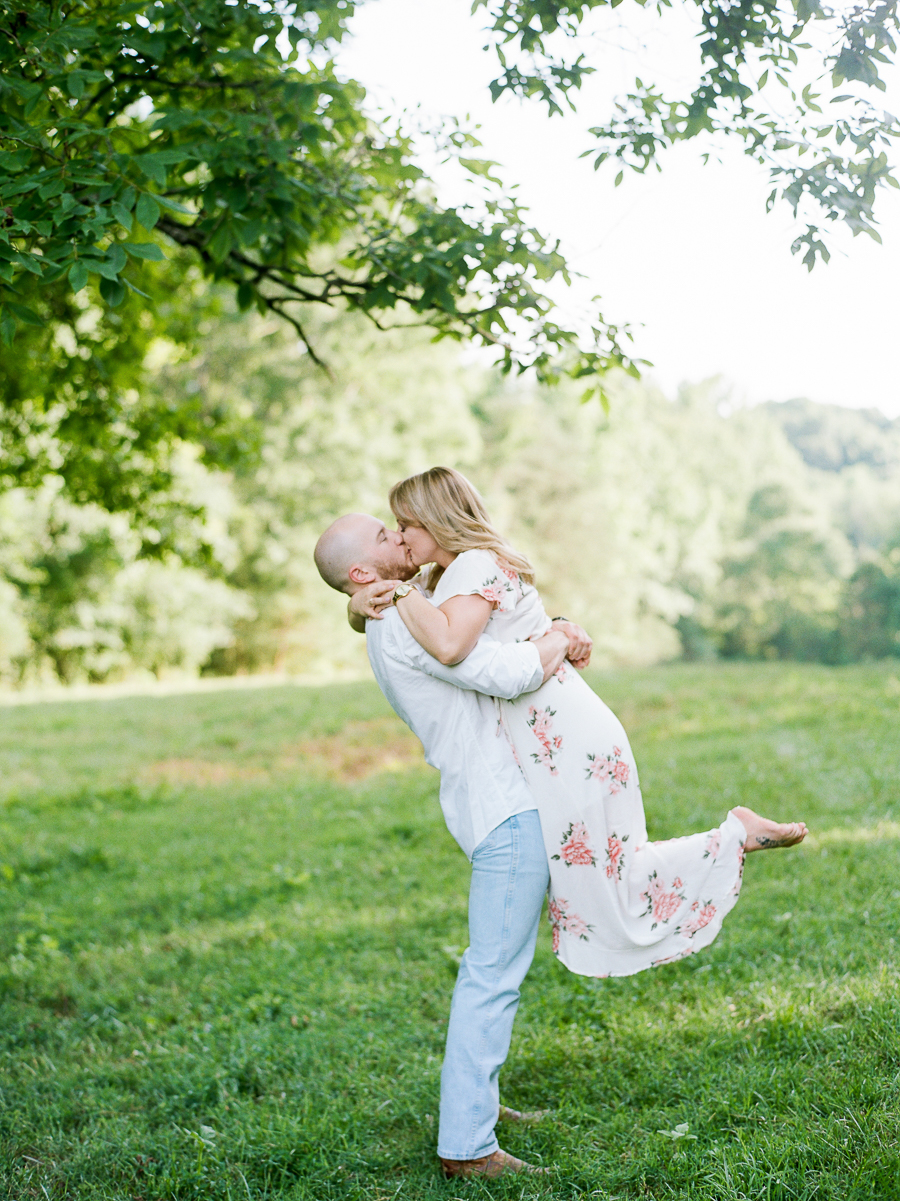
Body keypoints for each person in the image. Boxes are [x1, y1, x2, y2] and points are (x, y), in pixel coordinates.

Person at [349, 467, 808, 980]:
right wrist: (360, 602)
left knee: (607, 881)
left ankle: (733, 837)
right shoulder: (448, 576)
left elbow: (453, 647)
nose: (400, 536)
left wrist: (395, 593)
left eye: (405, 524)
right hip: (550, 733)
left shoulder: (474, 564)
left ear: (436, 521)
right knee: (604, 877)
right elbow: (431, 630)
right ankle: (732, 836)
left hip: (562, 733)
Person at [314, 512, 585, 1179]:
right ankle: (467, 1145)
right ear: (361, 572)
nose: (399, 536)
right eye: (384, 534)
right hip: (503, 807)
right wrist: (560, 634)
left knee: (496, 969)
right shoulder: (405, 624)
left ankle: (478, 1103)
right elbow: (509, 672)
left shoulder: (400, 611)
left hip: (497, 801)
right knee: (490, 975)